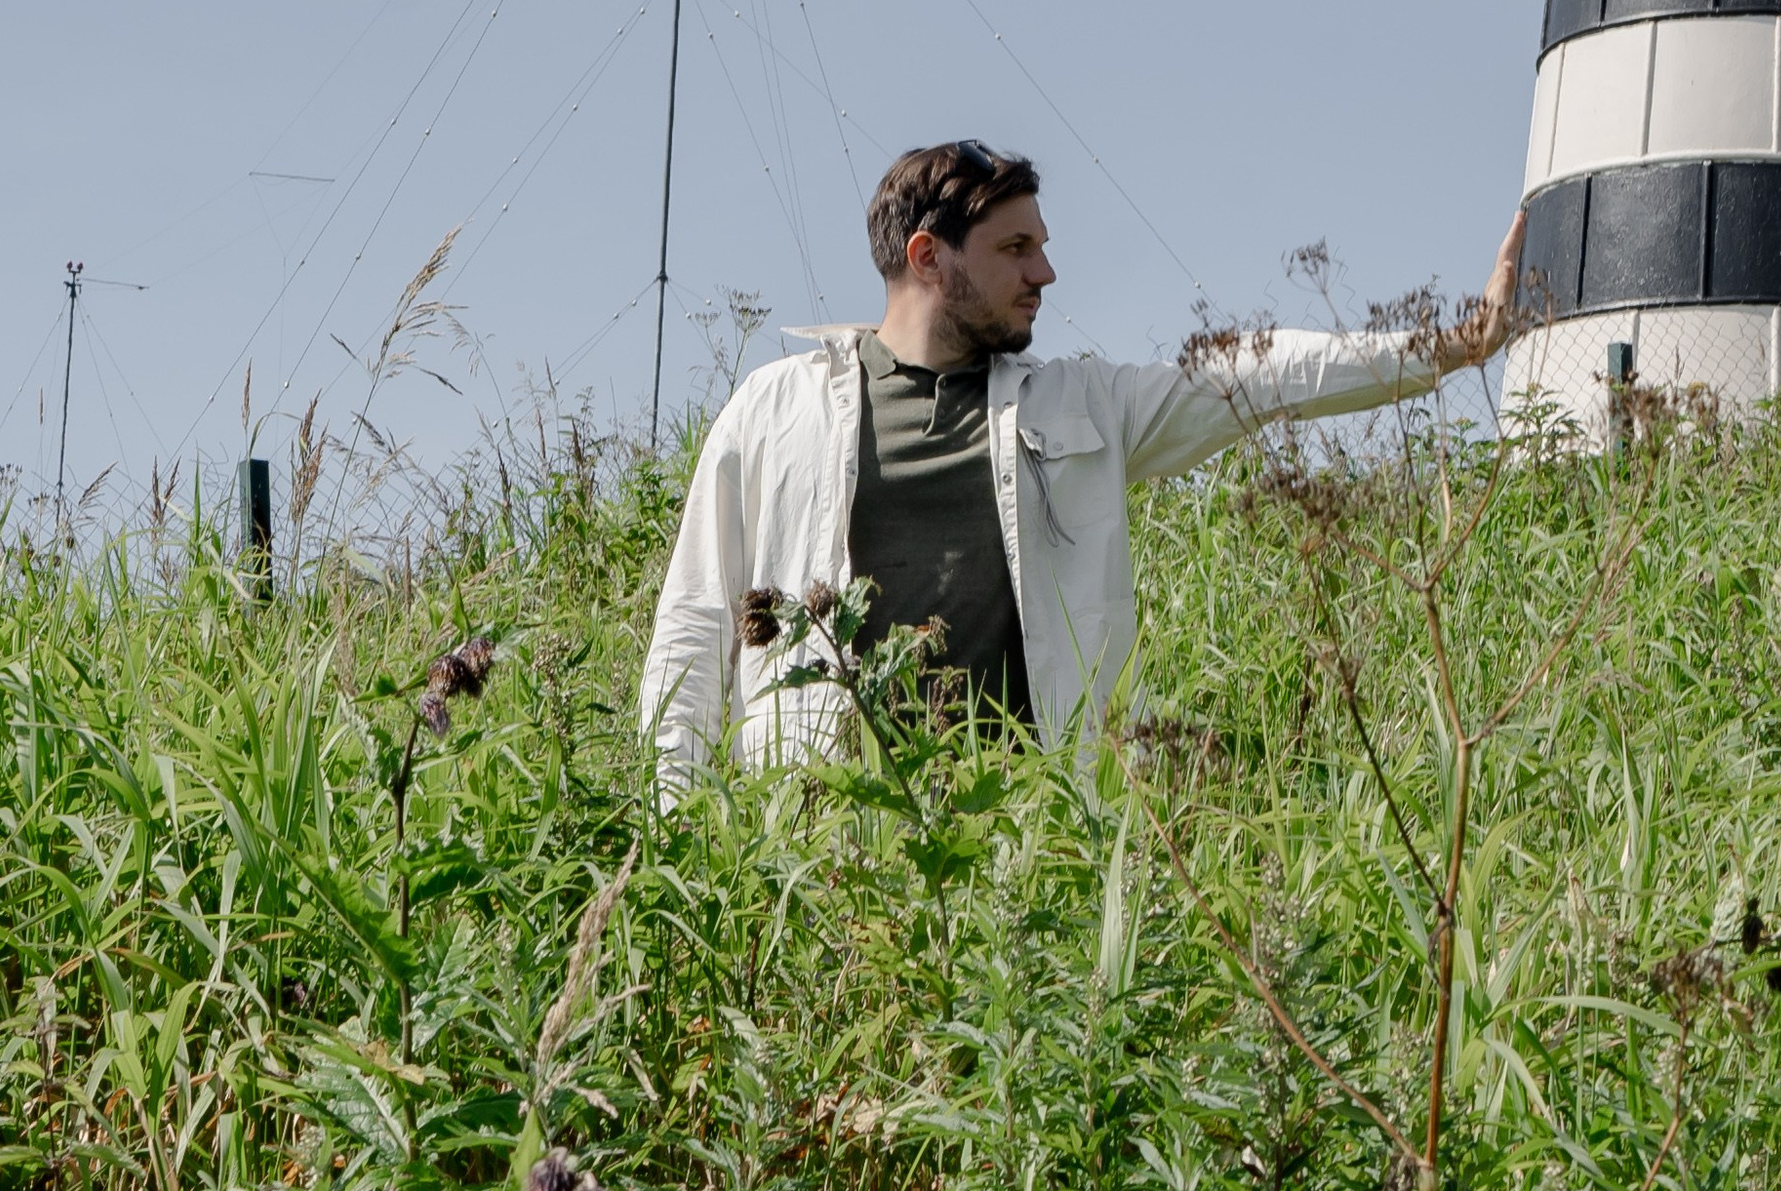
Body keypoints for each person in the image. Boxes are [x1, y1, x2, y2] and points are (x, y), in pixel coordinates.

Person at [639, 139, 1526, 787]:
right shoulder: (777, 409)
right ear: (927, 258)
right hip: (820, 835)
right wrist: (671, 834)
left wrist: (1446, 348)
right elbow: (693, 624)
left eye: (1042, 245)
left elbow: (1255, 377)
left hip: (1023, 836)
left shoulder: (1079, 403)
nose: (1047, 272)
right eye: (1015, 249)